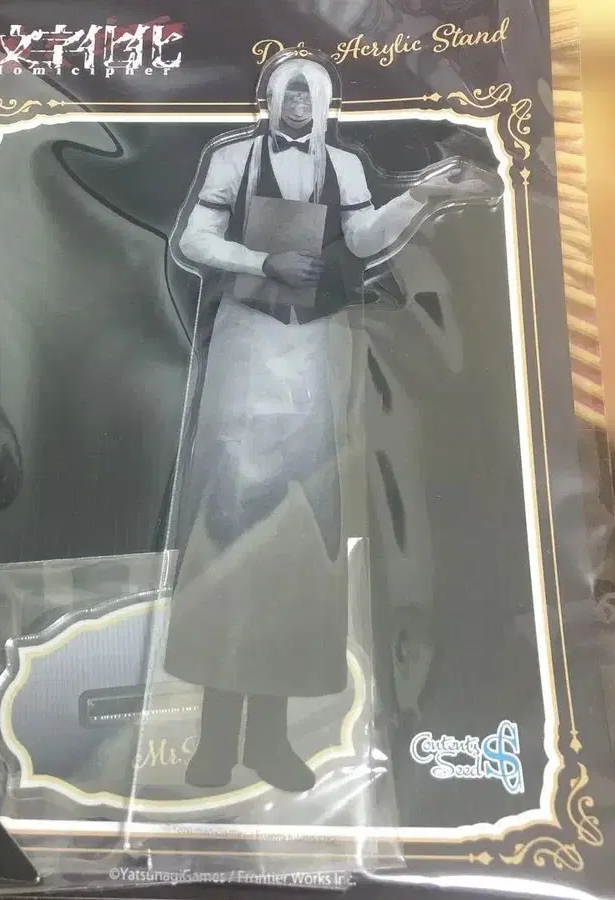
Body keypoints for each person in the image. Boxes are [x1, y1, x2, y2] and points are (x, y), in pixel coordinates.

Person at [161, 52, 497, 794]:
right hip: (245, 346)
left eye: (309, 94)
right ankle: (215, 740)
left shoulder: (343, 166)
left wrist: (422, 198)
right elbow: (192, 241)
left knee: (301, 538)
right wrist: (263, 261)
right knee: (228, 527)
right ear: (271, 99)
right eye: (289, 92)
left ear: (323, 103)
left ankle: (270, 741)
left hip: (317, 350)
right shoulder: (232, 159)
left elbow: (367, 240)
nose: (298, 104)